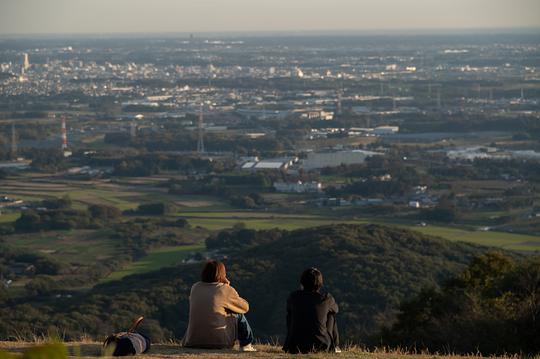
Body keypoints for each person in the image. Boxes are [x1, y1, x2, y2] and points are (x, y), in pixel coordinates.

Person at [182, 260, 257, 352]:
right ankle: (246, 345)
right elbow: (245, 307)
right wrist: (228, 286)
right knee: (238, 314)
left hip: (192, 341)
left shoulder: (195, 287)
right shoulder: (224, 289)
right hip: (219, 343)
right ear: (222, 274)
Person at [283, 267, 340, 354]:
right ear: (320, 283)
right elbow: (336, 309)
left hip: (294, 346)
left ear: (302, 282)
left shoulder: (294, 297)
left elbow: (289, 311)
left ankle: (291, 339)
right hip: (321, 346)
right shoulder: (326, 298)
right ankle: (335, 346)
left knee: (291, 314)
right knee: (331, 315)